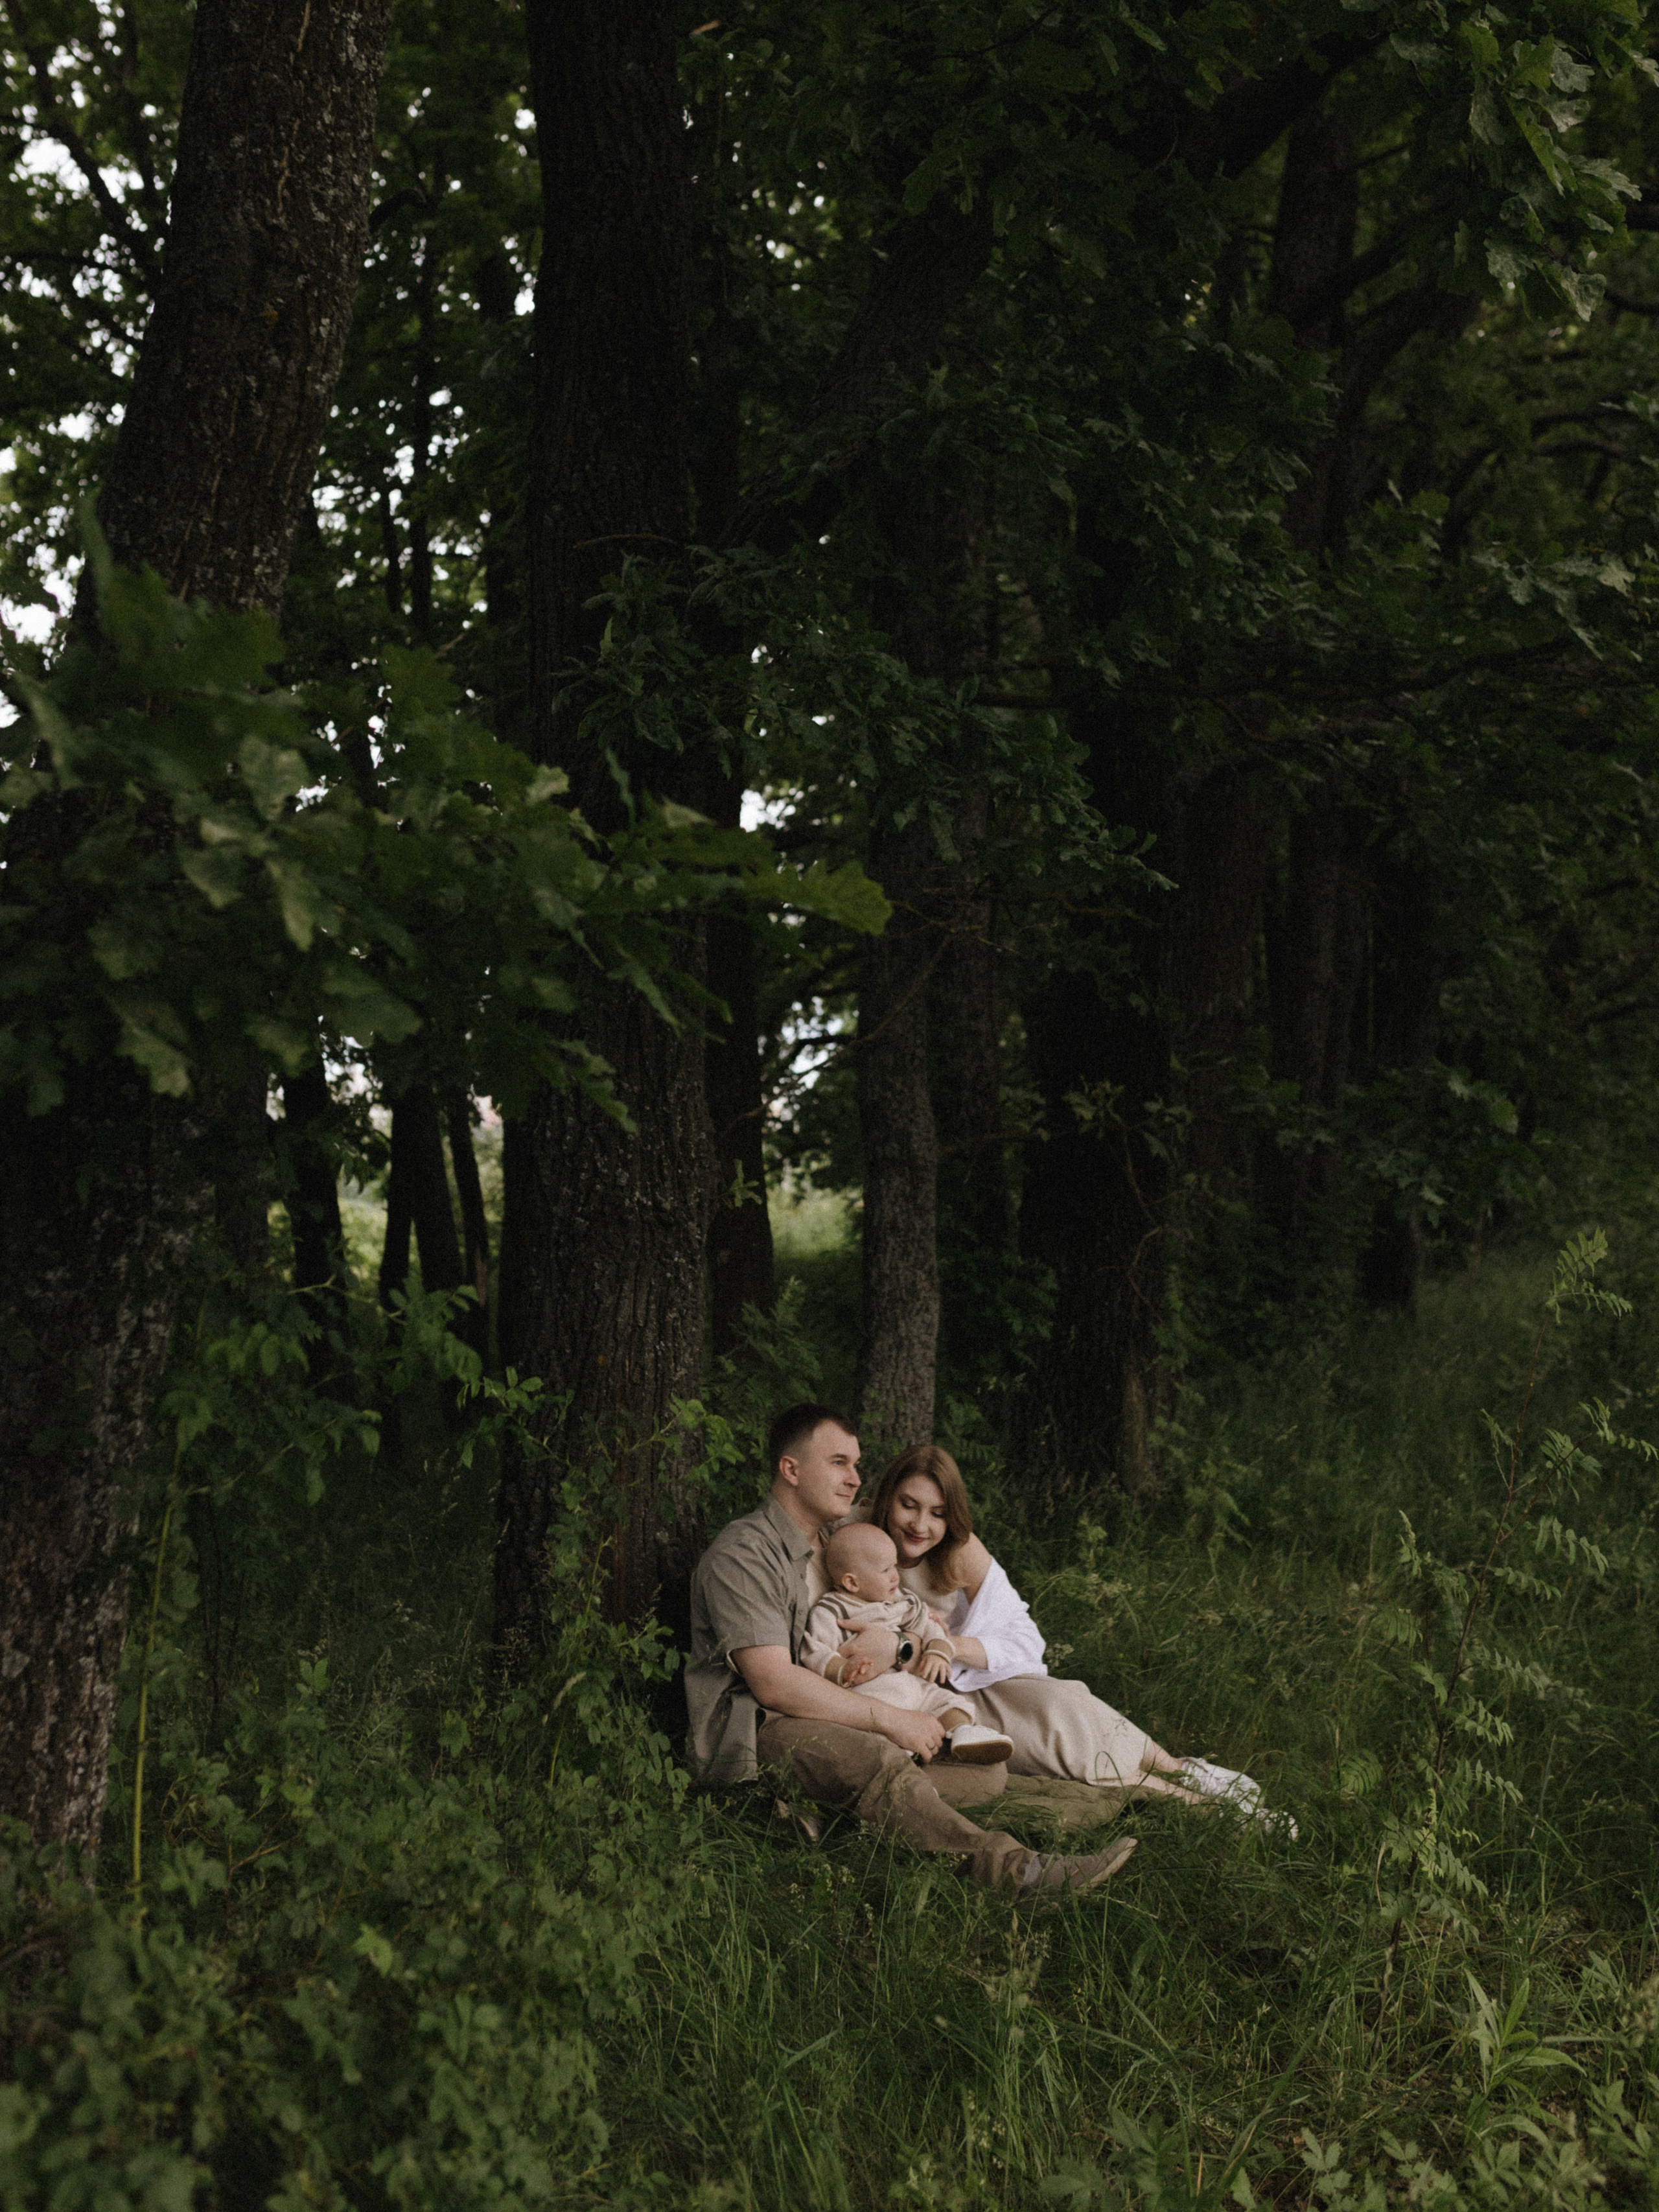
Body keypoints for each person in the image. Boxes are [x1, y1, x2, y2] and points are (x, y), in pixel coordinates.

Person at [683, 1403, 1139, 1896]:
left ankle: (829, 1822)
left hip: (830, 1712)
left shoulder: (836, 1542)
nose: (855, 1479)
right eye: (839, 1463)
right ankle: (1014, 1873)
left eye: (856, 1464)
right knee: (879, 1757)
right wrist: (892, 1720)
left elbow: (897, 1618)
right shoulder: (747, 1553)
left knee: (986, 1774)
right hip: (760, 1727)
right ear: (791, 1470)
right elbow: (773, 1684)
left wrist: (903, 1646)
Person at [852, 1443, 1275, 1821]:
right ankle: (1202, 1807)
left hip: (962, 1669)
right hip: (923, 1693)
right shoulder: (856, 1538)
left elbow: (1024, 1637)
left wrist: (949, 1645)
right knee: (1062, 1751)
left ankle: (1183, 1769)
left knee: (1065, 1702)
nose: (920, 1524)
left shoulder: (958, 1550)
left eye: (938, 1513)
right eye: (909, 1505)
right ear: (888, 1497)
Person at [800, 1522, 1015, 1765]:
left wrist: (938, 1651)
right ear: (852, 1583)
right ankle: (902, 1765)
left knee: (950, 1703)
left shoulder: (902, 1601)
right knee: (875, 1734)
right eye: (885, 1570)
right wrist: (842, 1669)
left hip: (912, 1685)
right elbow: (814, 1650)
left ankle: (964, 1732)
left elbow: (929, 1625)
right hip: (872, 1694)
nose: (896, 1576)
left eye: (895, 1566)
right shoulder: (831, 1612)